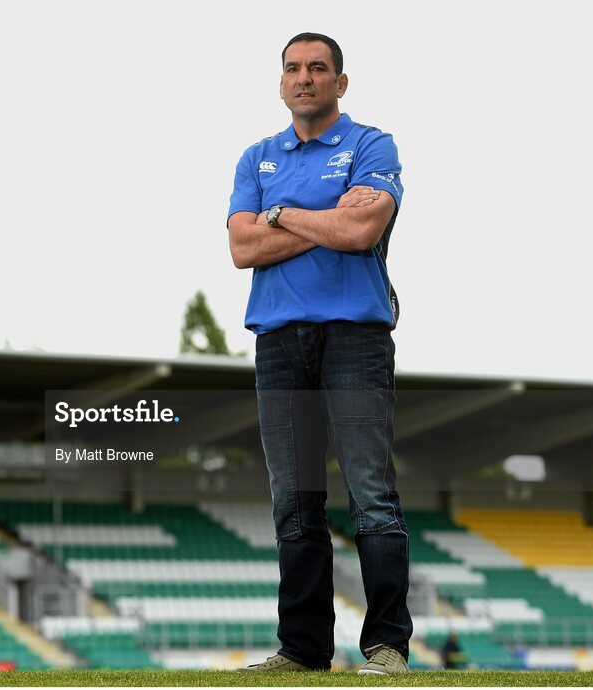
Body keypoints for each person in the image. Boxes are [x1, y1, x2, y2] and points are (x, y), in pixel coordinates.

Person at [227, 33, 412, 675]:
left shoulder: (371, 145)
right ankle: (303, 652)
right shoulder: (257, 157)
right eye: (293, 69)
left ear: (341, 82)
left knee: (370, 492)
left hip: (355, 336)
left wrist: (278, 217)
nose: (304, 78)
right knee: (296, 499)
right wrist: (319, 218)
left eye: (318, 69)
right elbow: (241, 250)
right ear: (281, 83)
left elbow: (361, 231)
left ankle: (386, 646)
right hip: (278, 339)